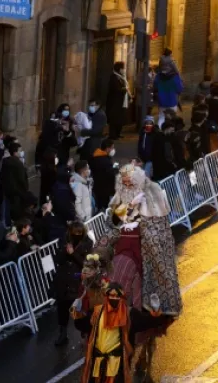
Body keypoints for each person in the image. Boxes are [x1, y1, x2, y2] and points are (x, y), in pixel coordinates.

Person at [110, 164, 182, 315]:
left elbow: (160, 215)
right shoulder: (129, 192)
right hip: (147, 237)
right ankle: (153, 304)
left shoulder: (149, 190)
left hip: (154, 238)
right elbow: (115, 219)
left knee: (161, 270)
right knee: (151, 271)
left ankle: (166, 305)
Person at [80, 282, 133, 382]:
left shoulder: (125, 312)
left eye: (118, 296)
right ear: (107, 296)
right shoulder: (98, 311)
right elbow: (87, 325)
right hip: (98, 358)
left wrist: (158, 316)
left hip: (114, 359)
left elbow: (129, 331)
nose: (115, 298)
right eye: (112, 295)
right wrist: (77, 314)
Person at [52, 221, 92, 346]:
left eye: (79, 232)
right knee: (62, 308)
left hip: (76, 279)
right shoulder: (63, 241)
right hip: (63, 279)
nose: (77, 235)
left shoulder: (87, 243)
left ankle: (85, 331)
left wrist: (73, 254)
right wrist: (65, 252)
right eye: (75, 232)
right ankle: (62, 334)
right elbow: (57, 259)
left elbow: (86, 263)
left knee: (79, 307)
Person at [0, 142, 29, 224]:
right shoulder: (18, 164)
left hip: (8, 189)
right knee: (16, 210)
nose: (22, 152)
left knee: (7, 208)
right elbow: (22, 179)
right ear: (15, 152)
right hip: (17, 191)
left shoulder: (6, 162)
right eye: (20, 150)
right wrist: (25, 190)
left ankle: (6, 223)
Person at [155, 49, 184, 127]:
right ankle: (171, 132)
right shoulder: (175, 77)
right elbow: (180, 89)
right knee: (173, 117)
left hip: (162, 101)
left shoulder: (159, 76)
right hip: (172, 100)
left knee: (161, 117)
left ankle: (160, 131)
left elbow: (155, 86)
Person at [106, 61, 131, 140]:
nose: (124, 70)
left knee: (120, 119)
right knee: (114, 119)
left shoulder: (121, 77)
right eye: (123, 68)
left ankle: (118, 133)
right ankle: (113, 135)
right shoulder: (114, 77)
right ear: (119, 69)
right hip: (115, 102)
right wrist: (124, 89)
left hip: (121, 102)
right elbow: (115, 89)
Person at [90, 139, 117, 211]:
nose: (113, 150)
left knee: (99, 205)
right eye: (112, 147)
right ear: (107, 148)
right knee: (104, 207)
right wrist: (115, 170)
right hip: (105, 189)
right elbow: (110, 175)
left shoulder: (95, 156)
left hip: (97, 187)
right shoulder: (105, 160)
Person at [78, 99, 107, 163]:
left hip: (93, 142)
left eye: (92, 105)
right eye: (89, 105)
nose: (90, 107)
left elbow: (95, 131)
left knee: (89, 160)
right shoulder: (93, 113)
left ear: (98, 105)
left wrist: (82, 132)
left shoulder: (100, 115)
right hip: (89, 141)